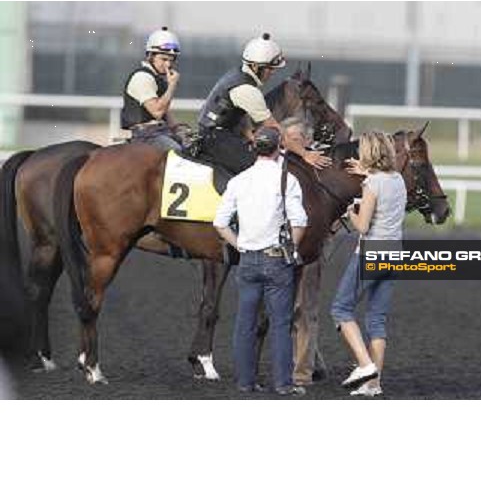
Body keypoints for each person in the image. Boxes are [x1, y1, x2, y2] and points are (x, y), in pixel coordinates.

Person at [213, 126, 307, 395]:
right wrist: (293, 249)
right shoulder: (286, 180)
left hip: (248, 260)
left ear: (255, 148)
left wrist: (239, 244)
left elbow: (219, 223)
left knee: (245, 323)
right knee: (280, 324)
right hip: (277, 259)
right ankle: (283, 384)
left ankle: (245, 382)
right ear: (280, 148)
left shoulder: (239, 181)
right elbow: (299, 222)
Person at [330, 131, 406, 397]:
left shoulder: (371, 185)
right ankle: (374, 385)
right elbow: (382, 182)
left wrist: (351, 210)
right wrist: (366, 172)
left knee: (340, 309)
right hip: (395, 252)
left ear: (369, 153)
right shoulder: (397, 180)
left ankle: (365, 366)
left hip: (371, 252)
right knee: (377, 319)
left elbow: (362, 226)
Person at [197, 33, 331, 174]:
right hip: (216, 140)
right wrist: (305, 154)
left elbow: (240, 116)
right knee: (260, 169)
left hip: (217, 134)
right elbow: (276, 130)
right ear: (255, 67)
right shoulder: (248, 90)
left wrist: (250, 136)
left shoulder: (239, 74)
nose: (272, 72)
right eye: (270, 68)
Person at [280, 117, 328, 386]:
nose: (287, 143)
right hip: (280, 249)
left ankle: (302, 373)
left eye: (294, 139)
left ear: (308, 141)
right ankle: (305, 363)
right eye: (284, 138)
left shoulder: (320, 167)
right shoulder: (277, 165)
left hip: (308, 249)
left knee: (304, 310)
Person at [121, 26, 183, 151]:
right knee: (177, 154)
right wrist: (172, 86)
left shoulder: (158, 78)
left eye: (171, 61)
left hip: (160, 132)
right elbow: (158, 111)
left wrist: (179, 129)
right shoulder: (142, 77)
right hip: (146, 136)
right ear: (150, 56)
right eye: (164, 59)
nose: (168, 65)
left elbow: (165, 113)